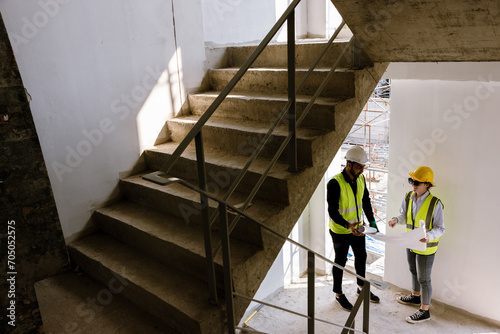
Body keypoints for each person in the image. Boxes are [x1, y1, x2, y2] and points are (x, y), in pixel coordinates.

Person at [388, 166, 445, 324]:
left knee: (424, 279)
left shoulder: (435, 204)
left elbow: (441, 228)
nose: (413, 184)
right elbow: (403, 216)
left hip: (426, 248)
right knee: (413, 270)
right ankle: (414, 297)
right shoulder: (408, 197)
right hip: (411, 242)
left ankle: (425, 311)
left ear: (427, 184)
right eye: (412, 180)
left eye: (417, 182)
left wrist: (428, 236)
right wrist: (395, 220)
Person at [327, 145, 380, 311]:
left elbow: (365, 202)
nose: (362, 170)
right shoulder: (335, 183)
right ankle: (338, 294)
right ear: (348, 164)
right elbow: (332, 211)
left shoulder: (361, 179)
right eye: (359, 167)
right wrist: (347, 225)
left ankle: (361, 287)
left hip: (358, 229)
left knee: (361, 257)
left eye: (363, 167)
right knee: (340, 262)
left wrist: (371, 221)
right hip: (341, 231)